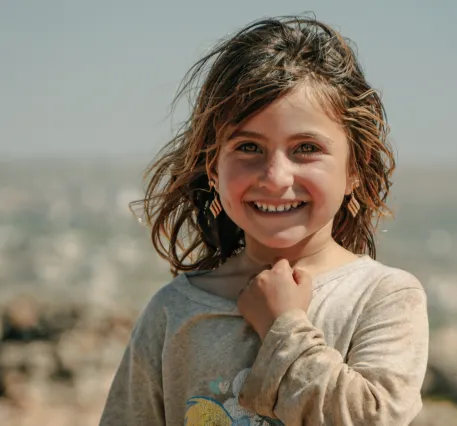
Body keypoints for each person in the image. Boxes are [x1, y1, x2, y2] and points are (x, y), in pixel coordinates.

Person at [100, 15, 429, 426]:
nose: (275, 178)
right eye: (249, 146)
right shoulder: (174, 312)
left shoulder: (382, 298)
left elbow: (374, 418)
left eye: (306, 148)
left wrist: (283, 327)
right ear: (213, 168)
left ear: (355, 169)